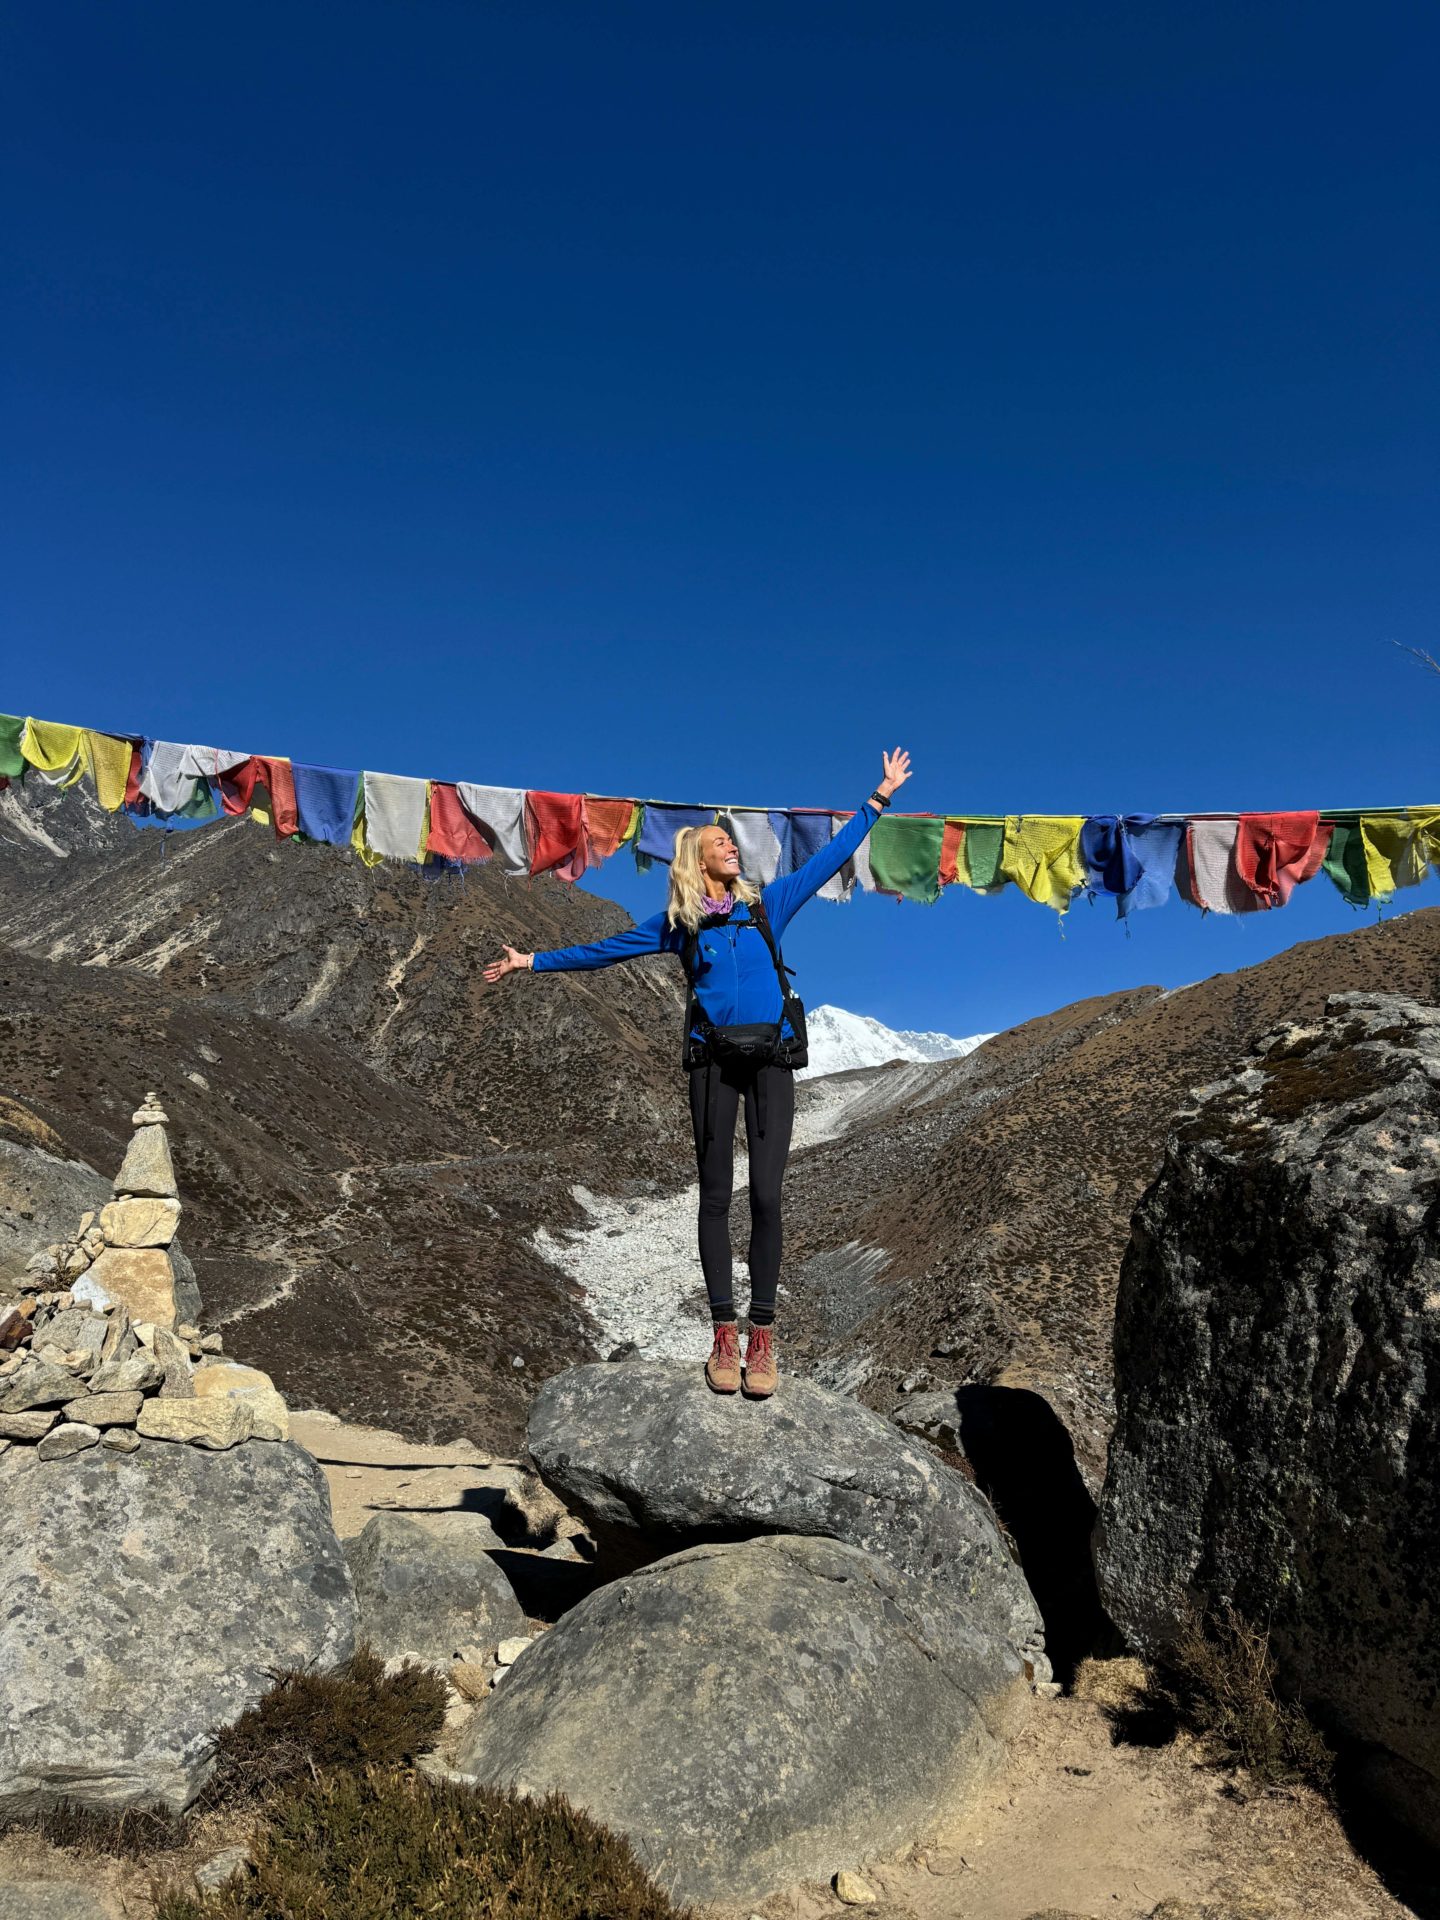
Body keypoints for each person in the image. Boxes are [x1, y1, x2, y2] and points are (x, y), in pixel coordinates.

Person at [484, 748, 912, 1399]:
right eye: (721, 844)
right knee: (715, 1199)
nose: (733, 848)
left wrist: (877, 798)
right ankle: (723, 1336)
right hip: (710, 1064)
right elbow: (605, 950)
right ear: (696, 859)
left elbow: (828, 858)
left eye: (732, 842)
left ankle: (763, 1338)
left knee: (766, 1196)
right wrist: (531, 961)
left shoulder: (768, 904)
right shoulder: (680, 925)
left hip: (771, 1060)